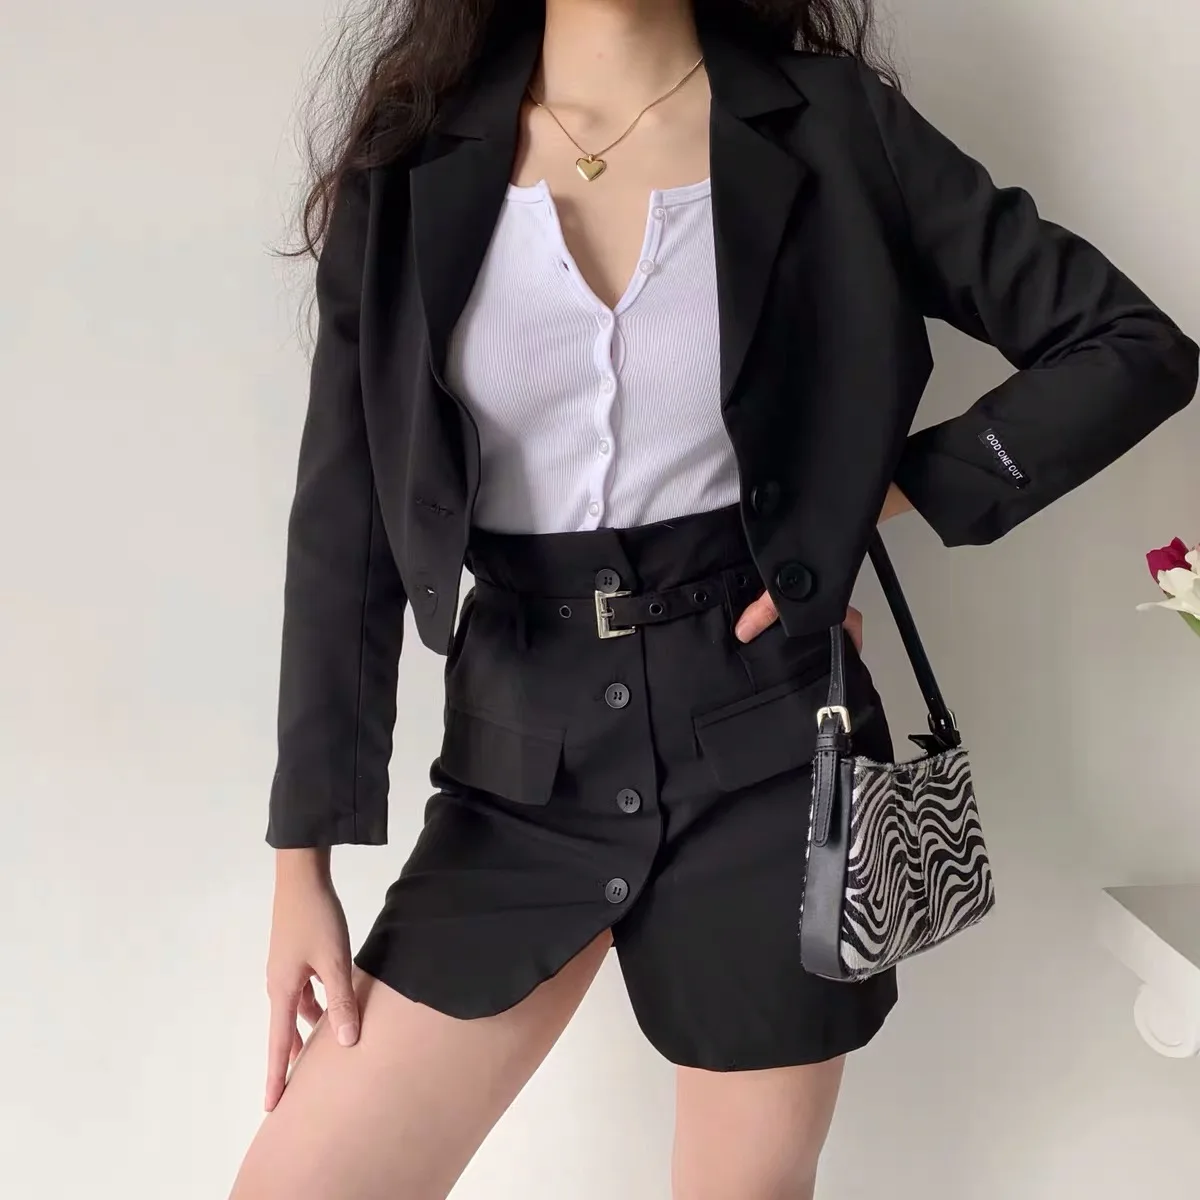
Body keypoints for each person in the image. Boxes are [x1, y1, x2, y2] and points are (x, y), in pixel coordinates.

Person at [229, 1, 1198, 1197]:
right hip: (517, 765)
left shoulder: (835, 126)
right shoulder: (409, 161)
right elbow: (345, 527)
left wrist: (868, 499)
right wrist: (302, 864)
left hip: (773, 750)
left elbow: (1127, 346)